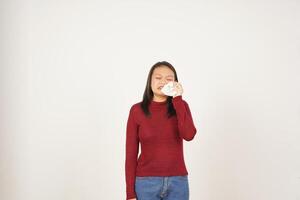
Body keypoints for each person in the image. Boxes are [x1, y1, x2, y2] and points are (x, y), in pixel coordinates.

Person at [125, 61, 197, 200]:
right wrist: (130, 193)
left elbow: (189, 135)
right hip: (146, 183)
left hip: (178, 182)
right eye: (158, 78)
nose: (163, 82)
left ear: (175, 83)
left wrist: (178, 99)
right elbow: (131, 154)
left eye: (169, 79)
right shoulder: (136, 111)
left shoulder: (181, 106)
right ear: (150, 81)